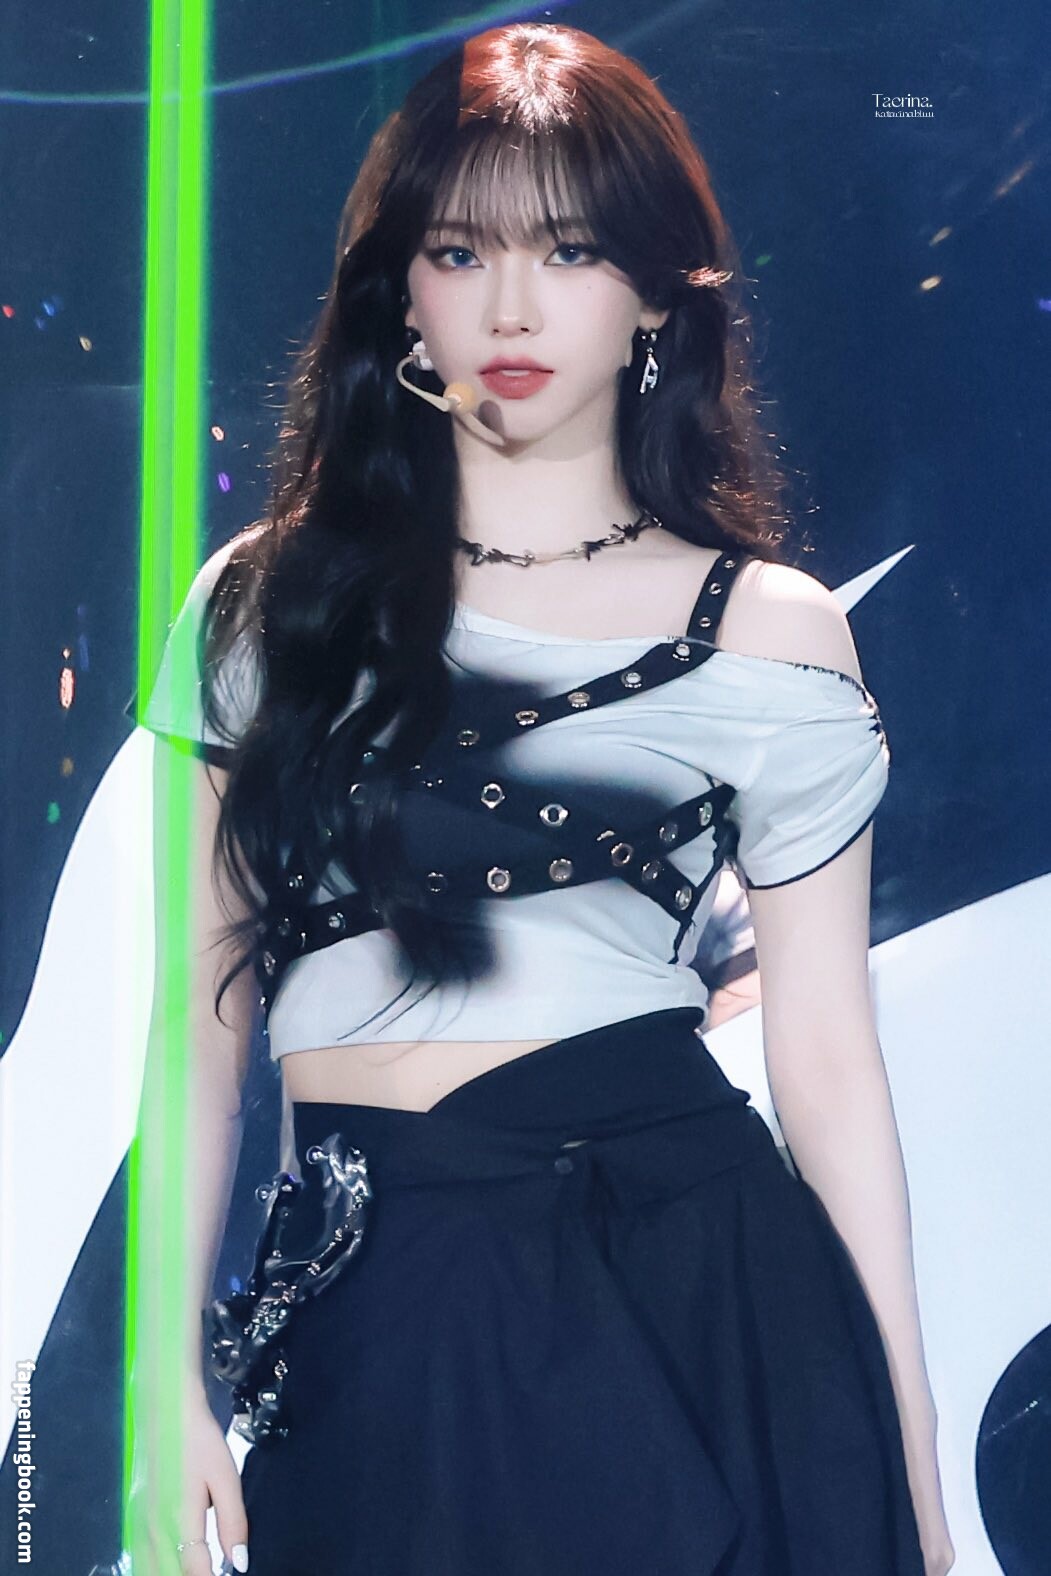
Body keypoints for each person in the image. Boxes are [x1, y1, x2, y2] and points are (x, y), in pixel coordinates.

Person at [133, 22, 954, 1576]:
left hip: (680, 1280)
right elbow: (196, 1025)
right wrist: (157, 1377)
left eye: (570, 251)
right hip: (377, 1311)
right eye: (460, 251)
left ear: (655, 295)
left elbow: (831, 1070)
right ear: (402, 292)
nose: (510, 307)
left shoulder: (767, 635)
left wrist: (907, 1450)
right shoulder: (262, 607)